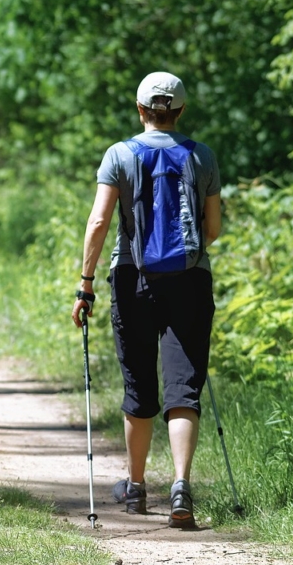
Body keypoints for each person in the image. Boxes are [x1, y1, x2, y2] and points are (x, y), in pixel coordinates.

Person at [71, 72, 222, 529]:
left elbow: (99, 223)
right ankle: (180, 487)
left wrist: (86, 283)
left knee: (139, 383)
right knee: (184, 388)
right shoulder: (202, 156)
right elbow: (212, 231)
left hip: (131, 278)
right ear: (180, 112)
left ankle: (135, 488)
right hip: (190, 280)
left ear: (140, 110)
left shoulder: (119, 154)